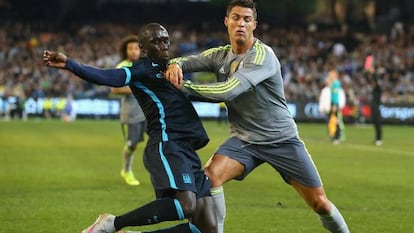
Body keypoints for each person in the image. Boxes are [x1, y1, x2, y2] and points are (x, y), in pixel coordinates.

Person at [165, 0, 350, 232]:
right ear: (226, 21)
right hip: (244, 141)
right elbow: (188, 60)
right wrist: (174, 64)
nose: (241, 23)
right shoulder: (220, 55)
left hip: (280, 140)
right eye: (236, 17)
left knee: (320, 203)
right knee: (208, 179)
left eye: (246, 19)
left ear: (254, 25)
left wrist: (184, 87)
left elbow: (229, 90)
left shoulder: (263, 56)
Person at [43, 23, 216, 233]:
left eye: (165, 40)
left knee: (207, 228)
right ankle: (112, 223)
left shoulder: (173, 68)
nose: (163, 45)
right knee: (186, 205)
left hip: (187, 149)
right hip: (167, 144)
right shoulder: (141, 69)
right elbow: (109, 77)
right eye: (156, 41)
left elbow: (201, 92)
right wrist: (71, 64)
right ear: (143, 48)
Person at [111, 35, 146, 186]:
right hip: (130, 114)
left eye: (136, 48)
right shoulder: (122, 67)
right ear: (125, 51)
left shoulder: (144, 65)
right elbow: (114, 90)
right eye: (130, 48)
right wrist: (135, 90)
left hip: (146, 113)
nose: (133, 51)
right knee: (132, 145)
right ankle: (126, 170)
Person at [367, 67, 382, 146]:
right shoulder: (374, 89)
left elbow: (375, 81)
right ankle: (377, 138)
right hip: (373, 105)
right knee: (375, 122)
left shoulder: (378, 88)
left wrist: (373, 73)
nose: (372, 84)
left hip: (377, 105)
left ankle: (379, 139)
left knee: (378, 122)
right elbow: (368, 78)